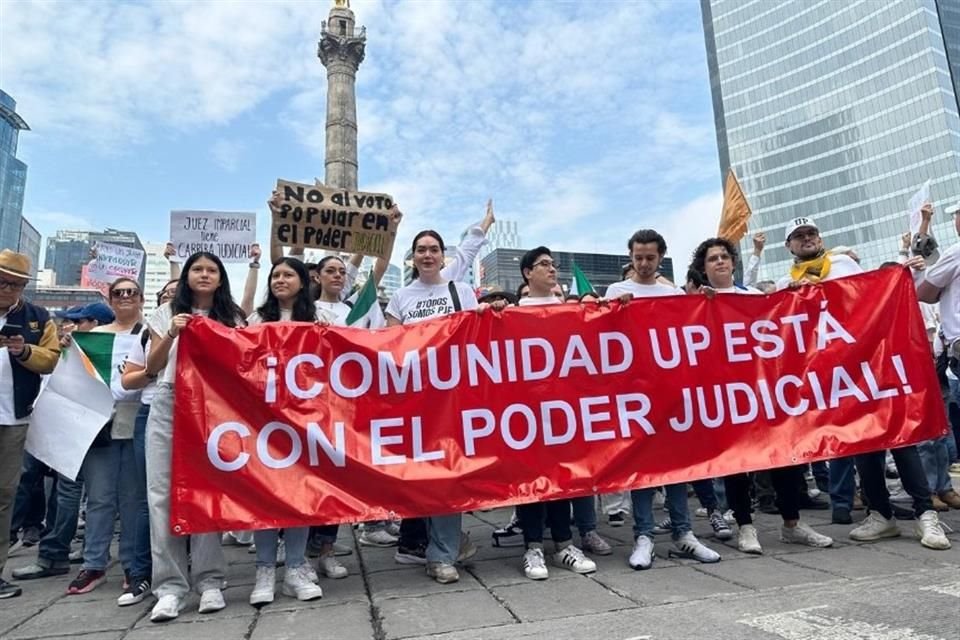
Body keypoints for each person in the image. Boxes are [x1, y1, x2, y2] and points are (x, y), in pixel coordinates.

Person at [779, 217, 949, 550]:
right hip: (837, 376)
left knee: (901, 438)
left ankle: (925, 513)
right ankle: (882, 514)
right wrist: (791, 298)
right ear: (789, 246)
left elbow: (879, 293)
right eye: (799, 237)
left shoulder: (843, 264)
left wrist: (904, 270)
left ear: (820, 236)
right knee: (861, 444)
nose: (807, 239)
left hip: (872, 363)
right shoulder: (789, 284)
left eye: (811, 233)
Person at [690, 237, 834, 554]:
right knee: (738, 463)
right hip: (729, 396)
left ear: (733, 262)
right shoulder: (697, 302)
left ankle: (792, 524)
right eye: (712, 258)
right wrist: (702, 306)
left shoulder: (754, 296)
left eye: (724, 256)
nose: (719, 262)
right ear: (704, 267)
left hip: (764, 392)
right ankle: (745, 526)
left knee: (783, 459)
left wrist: (793, 299)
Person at [385, 230, 497, 584]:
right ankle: (431, 542)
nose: (428, 255)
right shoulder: (400, 297)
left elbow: (475, 335)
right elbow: (389, 348)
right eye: (421, 250)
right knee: (424, 476)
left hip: (453, 397)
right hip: (416, 399)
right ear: (413, 257)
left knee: (450, 473)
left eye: (434, 249)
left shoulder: (461, 291)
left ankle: (442, 554)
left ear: (442, 256)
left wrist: (487, 313)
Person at [605, 230, 721, 569]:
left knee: (676, 465)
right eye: (638, 257)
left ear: (660, 257)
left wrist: (706, 306)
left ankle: (684, 533)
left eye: (650, 258)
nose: (643, 264)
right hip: (634, 394)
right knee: (644, 468)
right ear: (630, 256)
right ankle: (644, 536)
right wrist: (614, 311)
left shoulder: (670, 292)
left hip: (669, 392)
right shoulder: (616, 291)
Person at [143, 252, 246, 622]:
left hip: (212, 407)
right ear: (186, 276)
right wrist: (173, 333)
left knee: (208, 492)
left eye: (211, 270)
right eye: (197, 269)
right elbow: (151, 368)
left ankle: (210, 580)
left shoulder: (232, 317)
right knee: (161, 494)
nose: (204, 275)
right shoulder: (166, 313)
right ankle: (169, 587)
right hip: (169, 401)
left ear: (221, 279)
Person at [512, 246, 601, 580]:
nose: (552, 270)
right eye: (544, 264)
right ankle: (533, 547)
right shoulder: (512, 312)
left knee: (563, 477)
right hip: (526, 412)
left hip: (563, 411)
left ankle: (564, 543)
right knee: (531, 480)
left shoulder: (569, 310)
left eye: (553, 264)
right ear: (527, 273)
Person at [246, 258, 328, 607]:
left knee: (300, 495)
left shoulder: (317, 322)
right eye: (275, 275)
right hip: (261, 423)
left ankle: (295, 567)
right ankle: (265, 570)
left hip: (303, 423)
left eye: (288, 275)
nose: (281, 280)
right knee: (263, 497)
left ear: (302, 281)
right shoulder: (254, 321)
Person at [65, 285, 148, 598]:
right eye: (118, 294)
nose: (125, 297)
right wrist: (65, 348)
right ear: (111, 300)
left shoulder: (148, 332)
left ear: (140, 299)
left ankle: (132, 563)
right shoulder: (91, 337)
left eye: (131, 293)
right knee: (99, 498)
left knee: (132, 499)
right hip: (99, 423)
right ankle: (94, 563)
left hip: (135, 420)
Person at [0, 250, 59, 599]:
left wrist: (24, 352)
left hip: (14, 417)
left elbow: (51, 359)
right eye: (2, 281)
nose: (7, 289)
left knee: (5, 497)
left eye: (15, 284)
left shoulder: (37, 318)